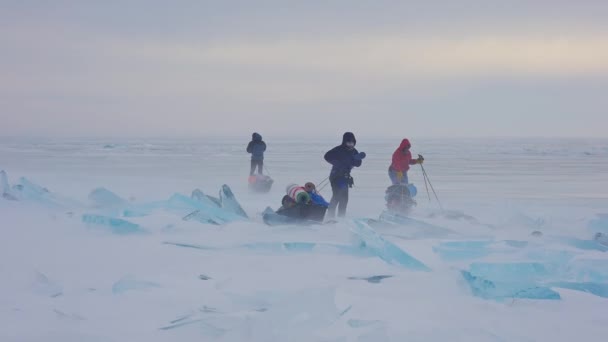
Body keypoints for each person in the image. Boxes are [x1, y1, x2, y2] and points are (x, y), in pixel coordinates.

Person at [324, 132, 366, 218]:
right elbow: (327, 156)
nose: (350, 144)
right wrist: (338, 164)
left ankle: (341, 217)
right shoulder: (338, 149)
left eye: (352, 142)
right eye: (348, 142)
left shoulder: (354, 151)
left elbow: (357, 164)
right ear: (344, 142)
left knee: (344, 199)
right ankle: (330, 217)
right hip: (335, 176)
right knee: (336, 196)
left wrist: (357, 158)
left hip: (344, 178)